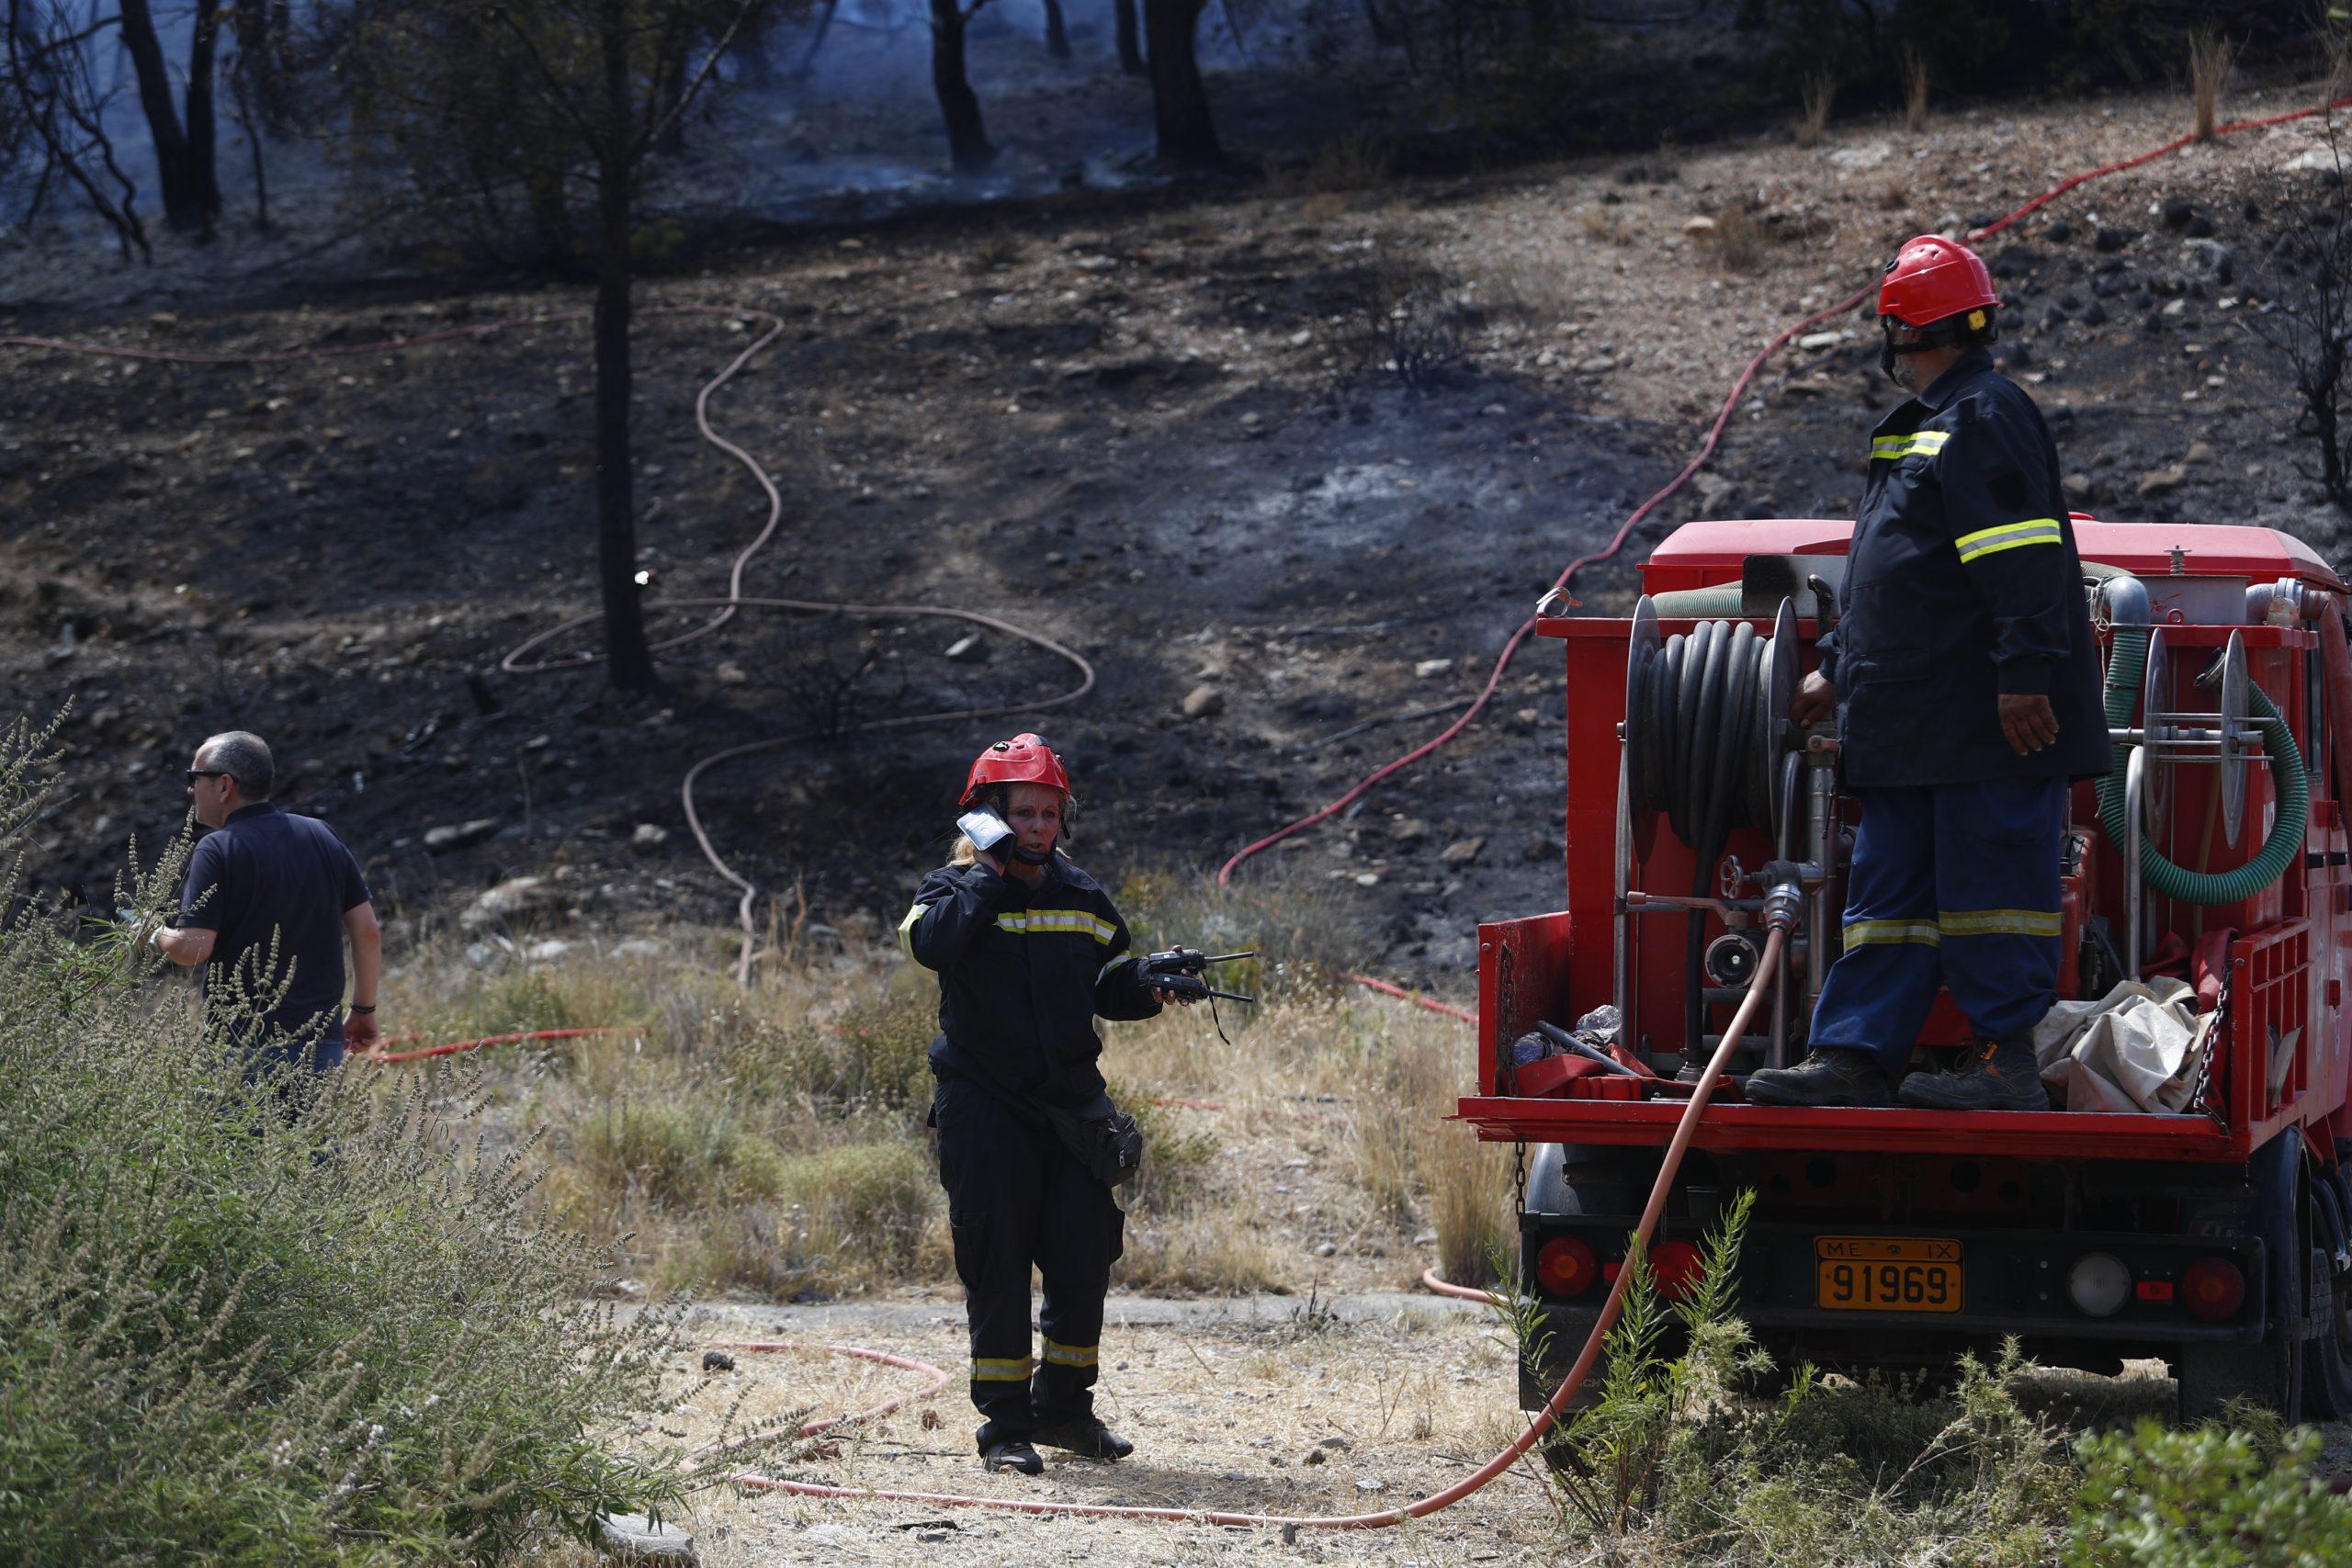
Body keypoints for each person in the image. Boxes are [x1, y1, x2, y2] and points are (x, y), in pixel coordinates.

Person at [1744, 234, 2108, 1113]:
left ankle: (2005, 1064)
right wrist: (1837, 669)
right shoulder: (1923, 427)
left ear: (1904, 330)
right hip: (1909, 722)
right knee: (1887, 904)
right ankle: (1855, 1057)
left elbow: (2021, 556)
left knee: (1994, 893)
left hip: (1984, 720)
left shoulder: (1982, 414)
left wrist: (2024, 675)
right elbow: (1896, 583)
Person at [899, 732, 1188, 1475]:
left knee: (1082, 1255)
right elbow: (932, 946)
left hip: (1071, 1110)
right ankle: (1004, 1427)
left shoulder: (1083, 895)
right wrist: (988, 873)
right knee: (996, 1260)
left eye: (1048, 814)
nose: (1037, 827)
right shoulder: (947, 891)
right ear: (988, 816)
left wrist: (1150, 981)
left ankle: (1063, 1407)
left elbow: (1106, 987)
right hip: (984, 1105)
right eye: (1022, 813)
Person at [149, 731, 382, 1076]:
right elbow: (367, 931)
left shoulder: (216, 848)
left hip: (243, 1048)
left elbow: (192, 948)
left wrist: (152, 934)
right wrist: (364, 1010)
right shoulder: (321, 834)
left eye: (194, 778)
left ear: (224, 785)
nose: (190, 789)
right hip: (321, 1044)